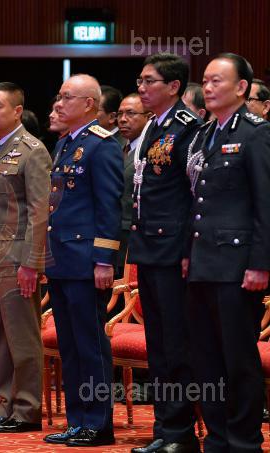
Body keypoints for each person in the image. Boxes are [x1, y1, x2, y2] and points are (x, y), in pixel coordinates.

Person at [185, 53, 270, 453]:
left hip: (237, 265)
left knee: (238, 360)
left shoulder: (256, 133)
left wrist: (261, 263)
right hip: (203, 261)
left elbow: (265, 204)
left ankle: (244, 441)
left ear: (242, 87)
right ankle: (217, 438)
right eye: (205, 80)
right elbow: (197, 200)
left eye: (217, 80)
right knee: (207, 358)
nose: (208, 87)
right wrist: (188, 252)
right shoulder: (205, 133)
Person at [43, 74, 122, 447]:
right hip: (61, 258)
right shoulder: (64, 143)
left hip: (87, 261)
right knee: (70, 346)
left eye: (66, 98)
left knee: (90, 346)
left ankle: (98, 423)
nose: (58, 104)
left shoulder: (101, 146)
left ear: (89, 104)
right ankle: (77, 420)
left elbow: (109, 206)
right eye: (58, 97)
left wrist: (104, 259)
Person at [128, 53, 202, 453]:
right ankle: (164, 428)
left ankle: (180, 432)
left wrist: (190, 247)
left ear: (173, 87)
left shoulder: (187, 127)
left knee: (176, 345)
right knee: (157, 344)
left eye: (149, 81)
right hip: (149, 247)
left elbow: (196, 194)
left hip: (174, 250)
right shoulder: (153, 126)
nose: (141, 88)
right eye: (140, 81)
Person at [0, 82, 51, 433]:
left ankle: (27, 408)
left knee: (22, 338)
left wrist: (32, 262)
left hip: (16, 259)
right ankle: (5, 404)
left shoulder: (32, 151)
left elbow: (39, 212)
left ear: (17, 111)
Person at [116, 93, 151, 275]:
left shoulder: (150, 150)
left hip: (134, 238)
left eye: (130, 113)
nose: (122, 119)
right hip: (113, 238)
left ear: (148, 117)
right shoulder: (115, 147)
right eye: (120, 114)